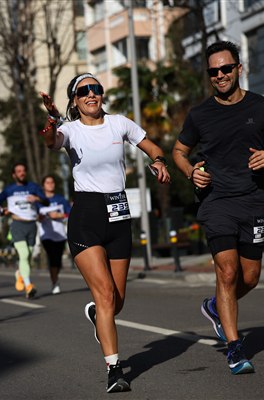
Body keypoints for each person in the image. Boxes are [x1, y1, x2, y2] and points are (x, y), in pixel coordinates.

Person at [39, 72, 170, 393]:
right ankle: (115, 369)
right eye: (83, 91)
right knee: (106, 294)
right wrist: (52, 119)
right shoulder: (70, 130)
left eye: (95, 89)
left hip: (119, 216)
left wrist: (159, 161)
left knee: (116, 301)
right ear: (75, 100)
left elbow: (152, 147)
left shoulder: (119, 124)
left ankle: (98, 315)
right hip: (86, 218)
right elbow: (51, 141)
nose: (91, 94)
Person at [171, 41, 264, 375]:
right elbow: (178, 151)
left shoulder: (262, 107)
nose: (220, 75)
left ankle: (214, 307)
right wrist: (190, 172)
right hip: (216, 202)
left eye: (226, 68)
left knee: (250, 277)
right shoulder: (200, 115)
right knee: (227, 272)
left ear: (239, 68)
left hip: (252, 200)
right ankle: (235, 349)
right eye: (214, 71)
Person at [0, 163, 49, 299]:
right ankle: (29, 286)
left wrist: (37, 198)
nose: (22, 173)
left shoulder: (33, 187)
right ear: (14, 175)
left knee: (28, 257)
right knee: (23, 254)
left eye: (23, 171)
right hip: (17, 224)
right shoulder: (9, 189)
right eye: (18, 171)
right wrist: (1, 211)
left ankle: (20, 274)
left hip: (32, 225)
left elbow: (46, 201)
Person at [37, 175, 71, 294]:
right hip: (46, 234)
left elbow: (70, 213)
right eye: (48, 182)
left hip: (60, 234)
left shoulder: (61, 199)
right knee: (52, 257)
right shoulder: (40, 201)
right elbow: (35, 215)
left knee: (57, 260)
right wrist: (41, 217)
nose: (50, 184)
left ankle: (55, 278)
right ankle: (55, 282)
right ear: (43, 185)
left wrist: (59, 215)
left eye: (52, 182)